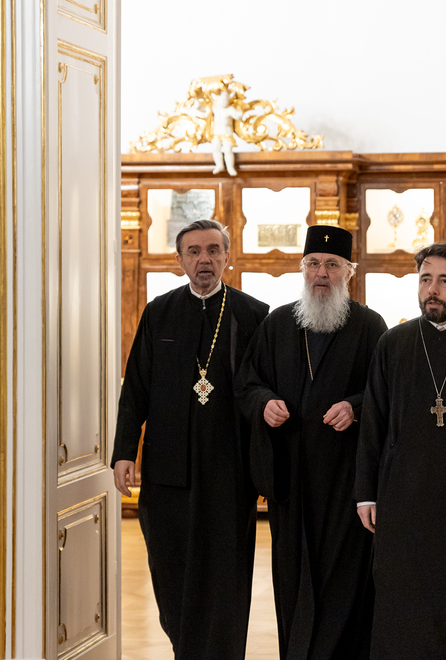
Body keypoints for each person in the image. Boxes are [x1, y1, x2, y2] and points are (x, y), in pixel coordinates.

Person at [111, 219, 268, 660]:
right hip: (167, 471)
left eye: (213, 250)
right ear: (179, 260)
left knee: (225, 575)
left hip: (229, 471)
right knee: (170, 571)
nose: (204, 259)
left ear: (227, 257)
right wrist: (124, 451)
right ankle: (186, 649)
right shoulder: (159, 312)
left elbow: (265, 392)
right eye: (194, 251)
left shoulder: (254, 314)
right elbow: (136, 387)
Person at [236, 225, 387, 660]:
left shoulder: (370, 326)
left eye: (332, 265)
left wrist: (355, 407)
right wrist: (264, 404)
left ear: (349, 272)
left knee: (344, 583)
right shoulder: (278, 324)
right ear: (303, 269)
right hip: (291, 482)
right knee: (292, 581)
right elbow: (247, 384)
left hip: (346, 482)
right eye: (314, 264)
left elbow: (387, 394)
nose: (322, 273)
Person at [355, 242, 446, 660]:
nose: (432, 289)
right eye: (426, 279)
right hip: (402, 501)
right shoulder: (392, 344)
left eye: (445, 281)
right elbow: (373, 422)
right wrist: (366, 494)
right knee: (401, 605)